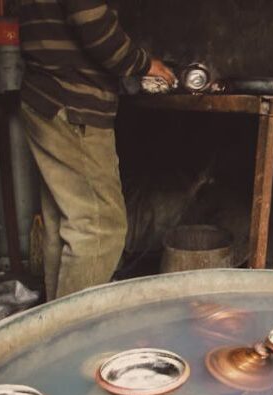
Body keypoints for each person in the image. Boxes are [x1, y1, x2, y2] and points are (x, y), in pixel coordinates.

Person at [19, 0, 175, 301]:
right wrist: (144, 63)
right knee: (101, 228)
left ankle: (53, 332)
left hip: (45, 97)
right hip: (72, 103)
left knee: (66, 223)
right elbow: (94, 27)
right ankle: (74, 336)